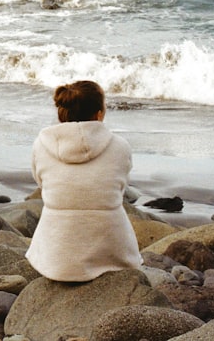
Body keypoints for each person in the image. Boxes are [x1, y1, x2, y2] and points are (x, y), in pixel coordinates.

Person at [24, 80, 142, 282]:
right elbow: (120, 186)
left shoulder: (41, 145)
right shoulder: (120, 146)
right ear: (99, 114)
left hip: (56, 258)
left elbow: (41, 184)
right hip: (112, 251)